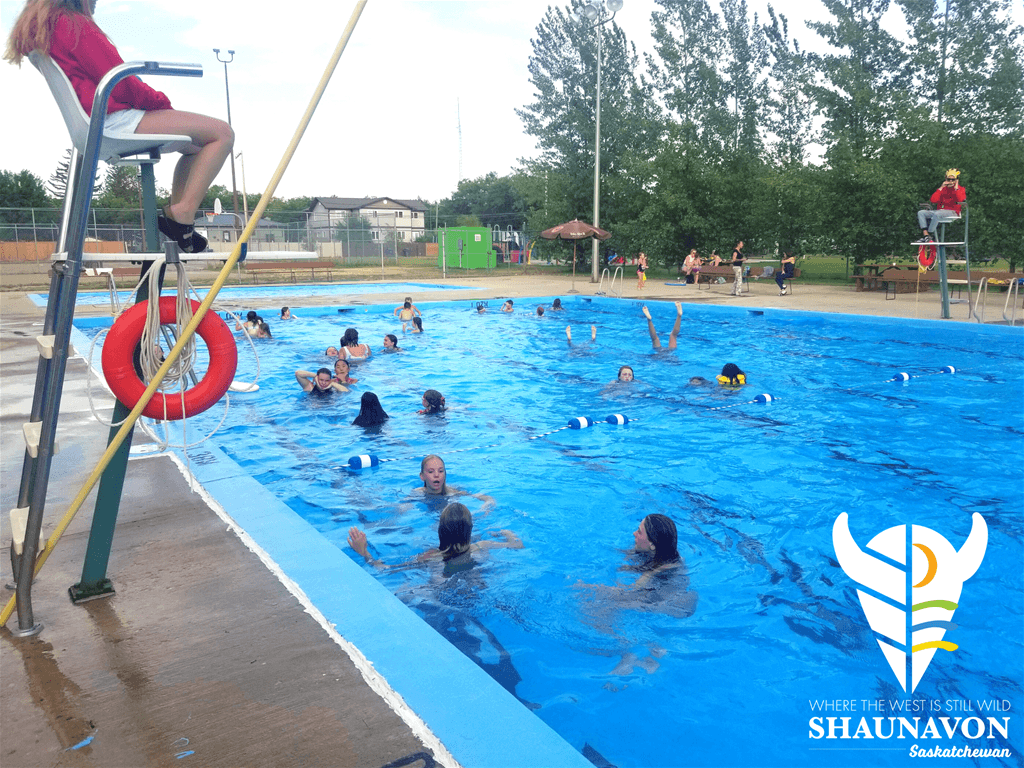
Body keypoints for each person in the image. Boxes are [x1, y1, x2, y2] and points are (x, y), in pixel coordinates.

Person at [5, 0, 233, 254]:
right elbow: (121, 80)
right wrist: (162, 104)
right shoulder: (72, 24)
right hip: (111, 119)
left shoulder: (43, 28)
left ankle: (178, 222)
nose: (96, 3)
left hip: (94, 121)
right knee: (221, 134)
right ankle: (182, 214)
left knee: (193, 145)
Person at [347, 502, 522, 570]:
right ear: (470, 529)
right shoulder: (483, 546)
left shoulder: (430, 556)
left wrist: (365, 553)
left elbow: (385, 569)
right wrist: (507, 532)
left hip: (440, 590)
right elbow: (517, 545)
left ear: (440, 531)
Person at [412, 455, 495, 511]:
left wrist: (487, 503)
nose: (436, 475)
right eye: (431, 472)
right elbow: (403, 506)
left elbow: (486, 497)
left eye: (441, 471)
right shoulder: (417, 493)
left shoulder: (452, 492)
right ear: (422, 476)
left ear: (445, 474)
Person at [917, 169, 966, 242]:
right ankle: (926, 235)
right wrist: (940, 188)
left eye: (953, 180)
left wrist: (956, 188)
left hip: (952, 211)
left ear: (956, 180)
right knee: (921, 213)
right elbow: (933, 200)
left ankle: (931, 234)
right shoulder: (943, 189)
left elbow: (960, 199)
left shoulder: (960, 189)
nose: (951, 181)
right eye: (949, 179)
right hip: (940, 211)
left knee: (937, 214)